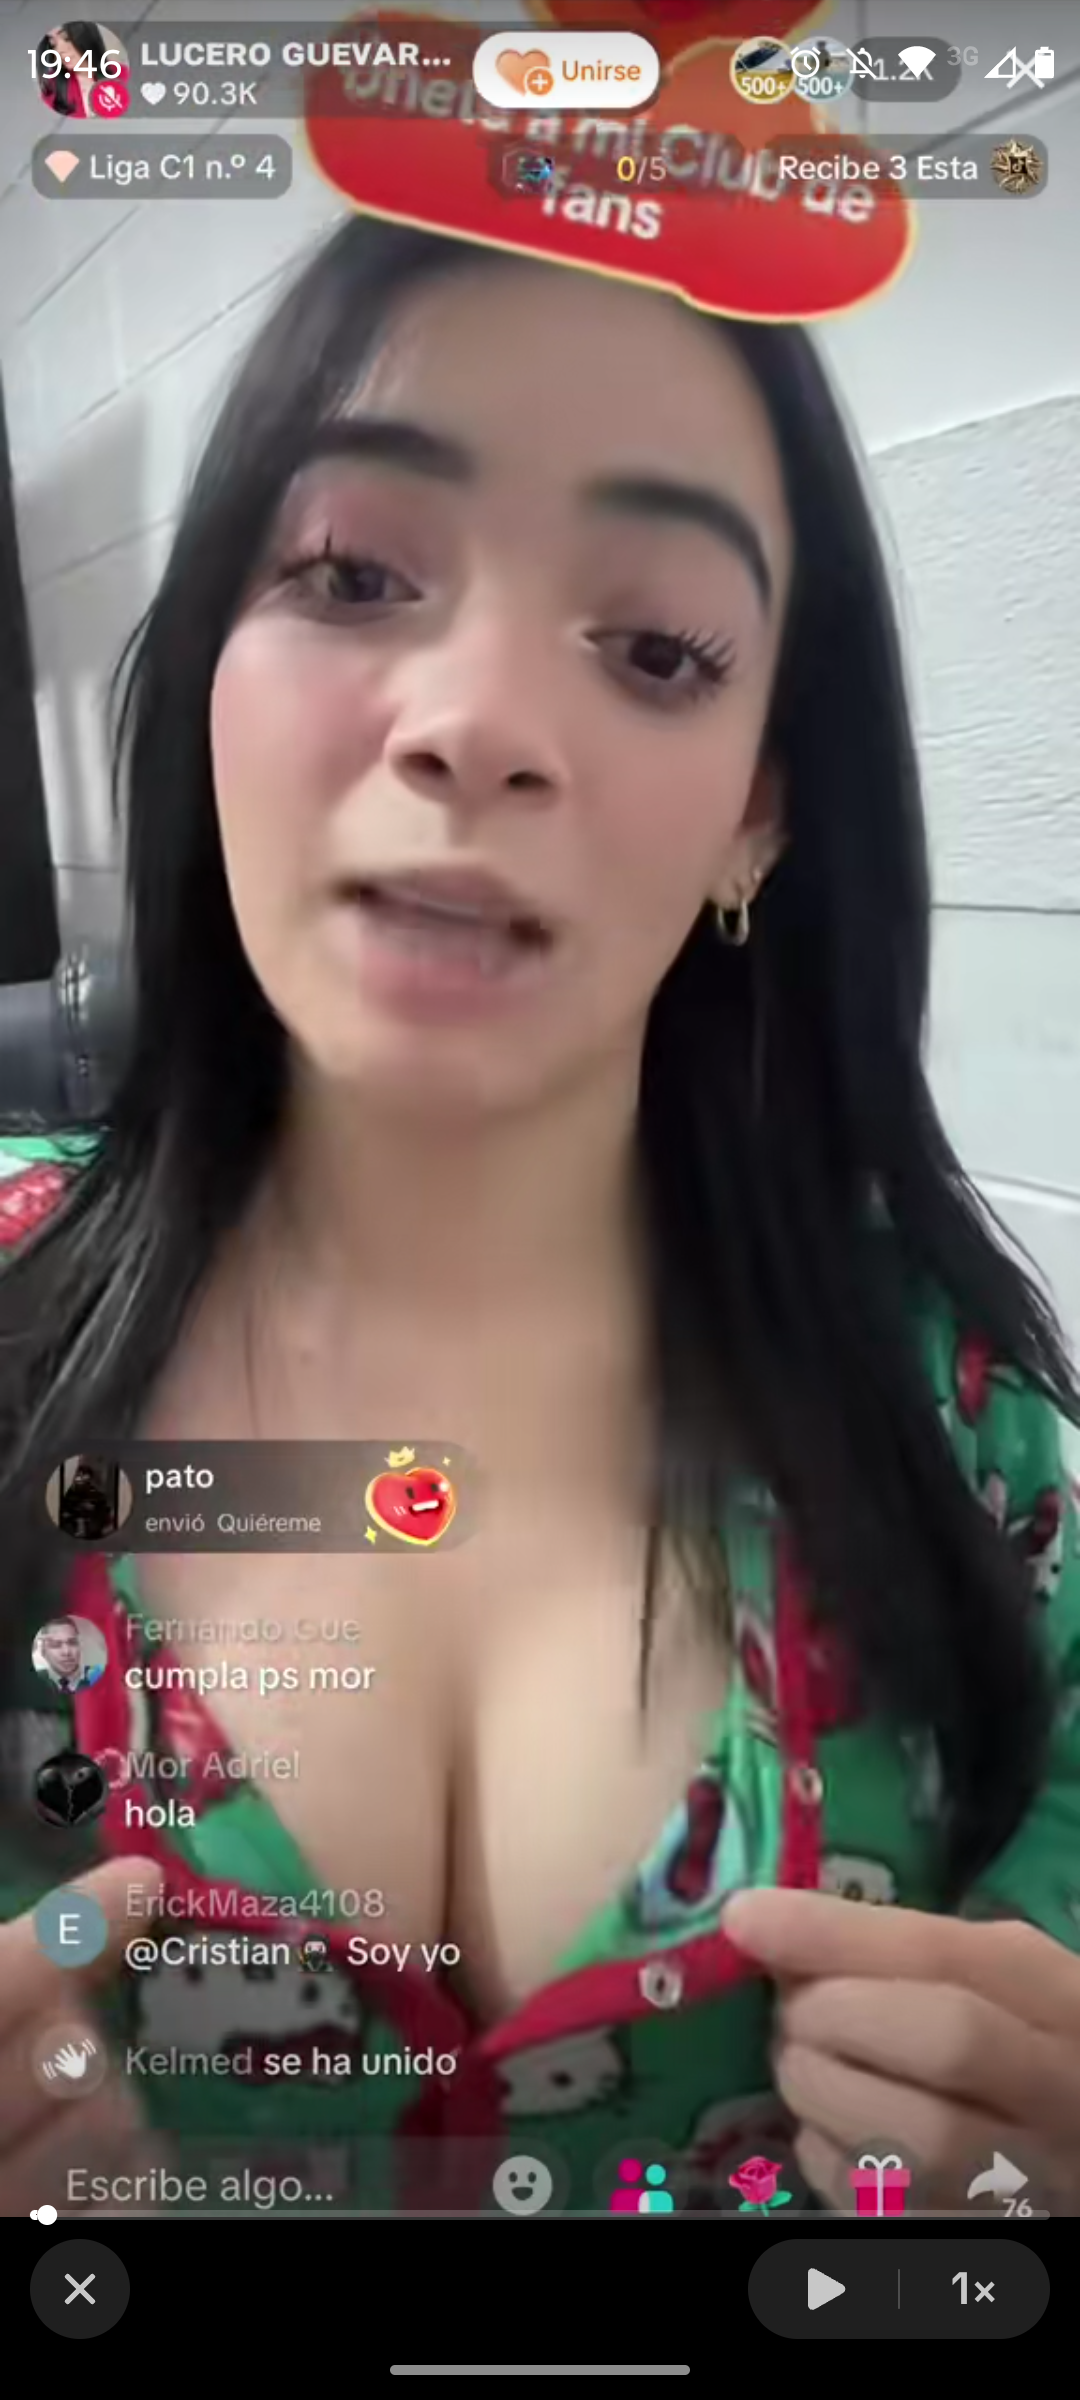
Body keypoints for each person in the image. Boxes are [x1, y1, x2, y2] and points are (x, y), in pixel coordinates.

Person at [0, 219, 1077, 2220]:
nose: (479, 722)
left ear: (759, 808)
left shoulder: (965, 1423)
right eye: (353, 576)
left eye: (656, 650)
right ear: (213, 667)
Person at [37, 22, 112, 119]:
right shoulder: (51, 93)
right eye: (53, 44)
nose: (59, 50)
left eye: (67, 38)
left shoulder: (121, 73)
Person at [33, 1617, 103, 1694]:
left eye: (72, 1643)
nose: (66, 1652)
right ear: (43, 1651)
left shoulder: (98, 1675)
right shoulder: (34, 1680)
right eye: (56, 1645)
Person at [57, 1459, 115, 1541]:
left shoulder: (97, 1497)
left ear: (90, 1479)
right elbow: (63, 1513)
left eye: (84, 1475)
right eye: (79, 1475)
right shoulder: (69, 1495)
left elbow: (105, 1519)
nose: (81, 1478)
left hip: (93, 1535)